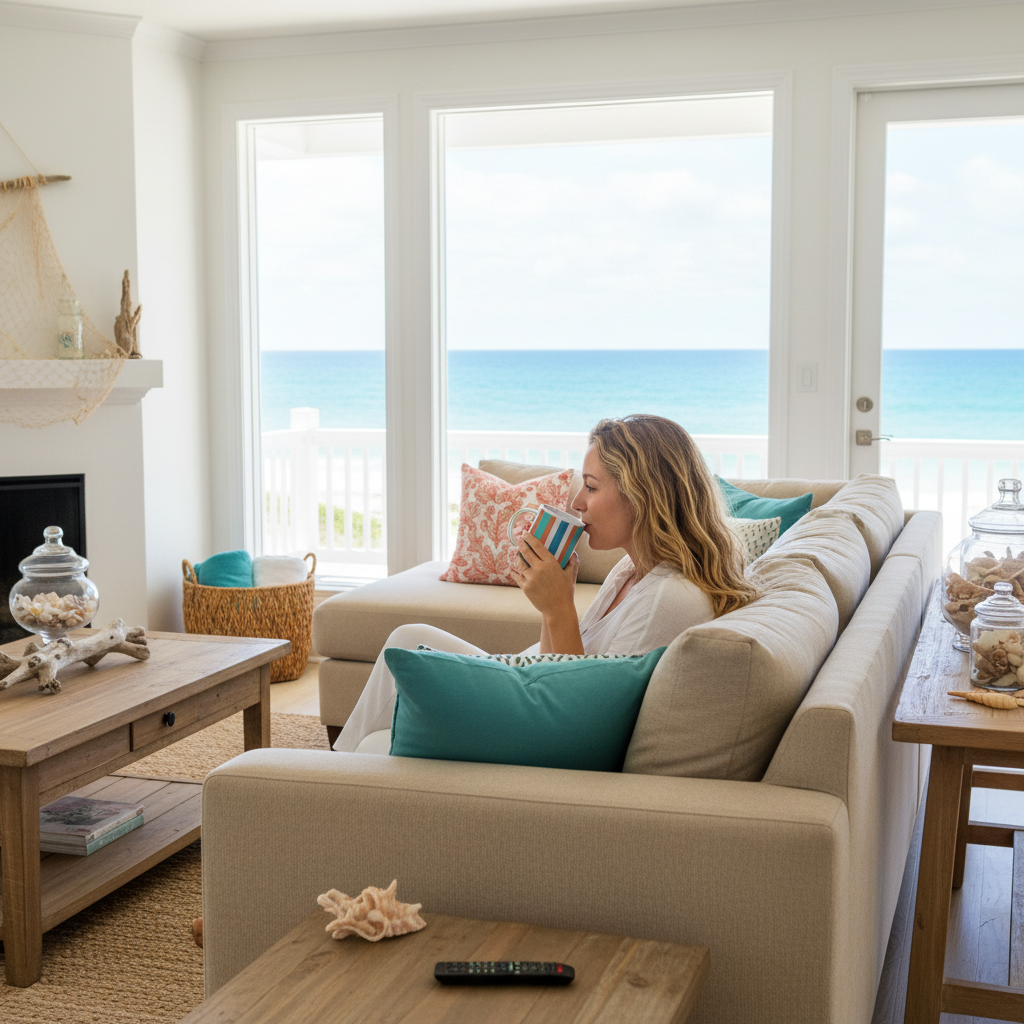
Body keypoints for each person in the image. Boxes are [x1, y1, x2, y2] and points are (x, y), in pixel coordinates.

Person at [333, 414, 757, 752]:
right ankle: (335, 772)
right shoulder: (630, 570)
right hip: (532, 685)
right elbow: (553, 662)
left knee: (376, 740)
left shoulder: (667, 598)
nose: (577, 502)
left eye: (591, 487)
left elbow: (584, 719)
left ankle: (336, 778)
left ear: (642, 494)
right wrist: (552, 604)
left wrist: (559, 608)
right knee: (408, 639)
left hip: (544, 718)